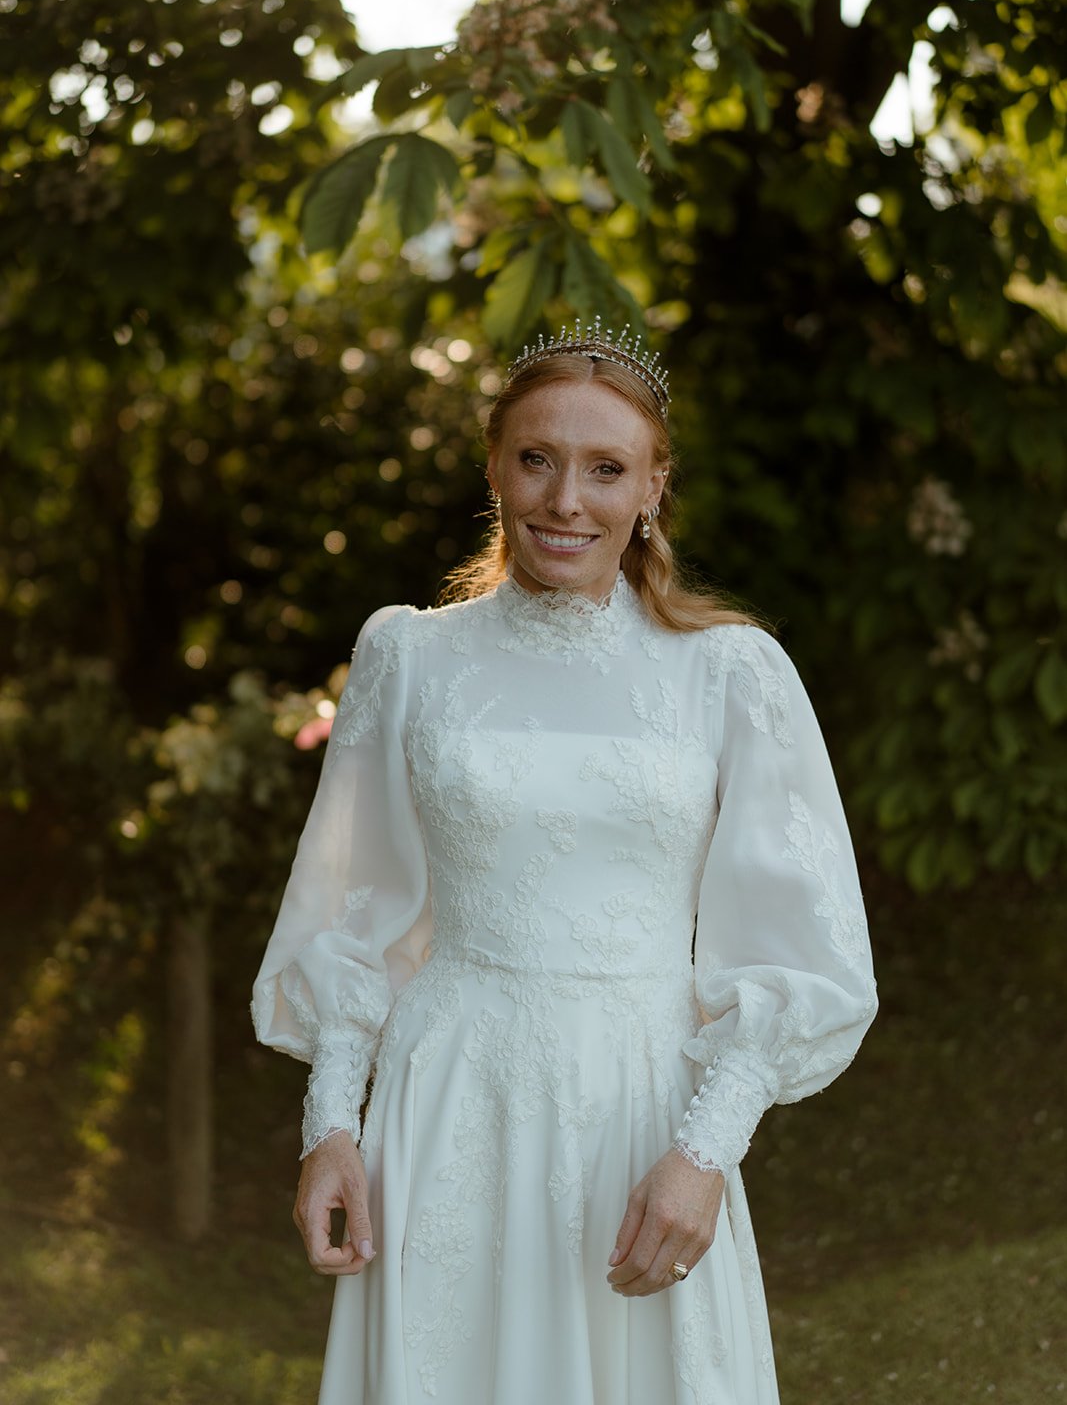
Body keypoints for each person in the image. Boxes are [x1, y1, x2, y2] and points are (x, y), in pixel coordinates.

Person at [252, 317, 878, 1405]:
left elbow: (799, 949)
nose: (566, 500)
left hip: (641, 1106)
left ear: (652, 486)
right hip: (445, 1101)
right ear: (494, 464)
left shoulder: (729, 673)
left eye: (605, 469)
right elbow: (352, 918)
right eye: (537, 458)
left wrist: (704, 1154)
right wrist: (332, 1130)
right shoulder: (407, 655)